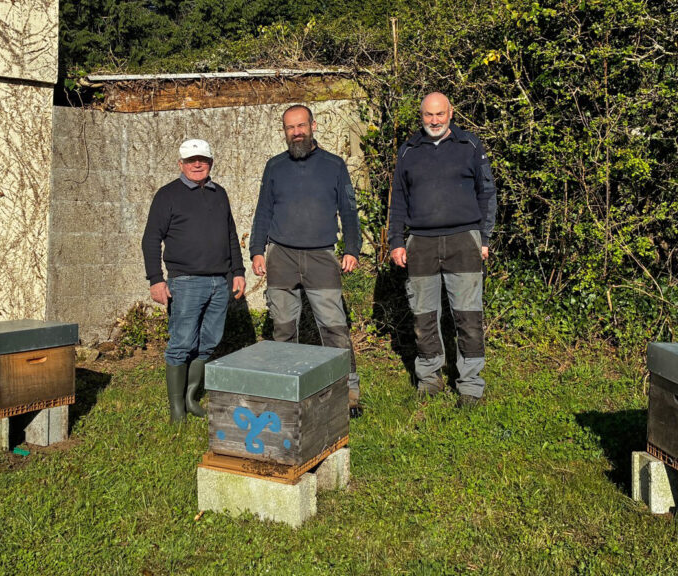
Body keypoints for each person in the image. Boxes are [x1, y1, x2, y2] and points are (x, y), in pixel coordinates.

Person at [250, 104, 364, 417]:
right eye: (290, 128)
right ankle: (286, 392)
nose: (296, 132)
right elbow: (263, 212)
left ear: (312, 126)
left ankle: (347, 391)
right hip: (281, 256)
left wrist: (352, 248)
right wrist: (257, 250)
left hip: (321, 256)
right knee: (284, 329)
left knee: (334, 328)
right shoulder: (274, 167)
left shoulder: (334, 165)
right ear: (284, 131)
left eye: (301, 126)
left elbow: (350, 212)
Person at [388, 92, 497, 408]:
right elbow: (398, 202)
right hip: (420, 243)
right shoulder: (408, 151)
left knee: (468, 316)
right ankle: (430, 380)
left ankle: (471, 386)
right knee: (424, 316)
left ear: (450, 113)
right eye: (427, 115)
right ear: (420, 116)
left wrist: (484, 238)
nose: (434, 121)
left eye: (439, 114)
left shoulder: (470, 146)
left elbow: (487, 193)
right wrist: (397, 241)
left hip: (464, 240)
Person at [141, 138, 246, 422]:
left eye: (202, 159)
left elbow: (231, 236)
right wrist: (156, 279)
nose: (197, 164)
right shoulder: (167, 195)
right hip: (185, 282)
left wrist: (238, 272)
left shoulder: (219, 193)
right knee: (182, 343)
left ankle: (190, 398)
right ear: (181, 164)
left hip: (220, 281)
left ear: (211, 162)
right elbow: (151, 239)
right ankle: (176, 407)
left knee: (209, 342)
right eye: (191, 160)